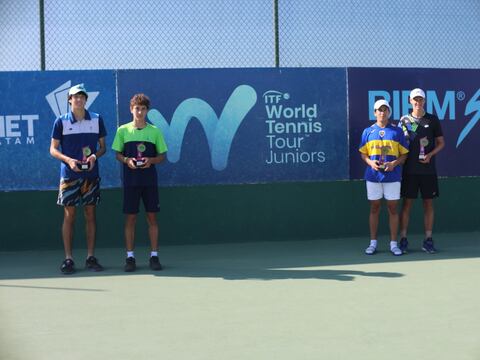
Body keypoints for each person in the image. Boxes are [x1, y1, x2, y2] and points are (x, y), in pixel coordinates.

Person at [50, 84, 106, 274]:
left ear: (85, 100)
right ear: (69, 100)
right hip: (69, 176)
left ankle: (90, 257)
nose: (79, 99)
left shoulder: (97, 120)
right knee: (69, 216)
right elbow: (53, 149)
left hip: (91, 176)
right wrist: (68, 160)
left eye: (82, 96)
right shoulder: (61, 121)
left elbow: (102, 148)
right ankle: (68, 259)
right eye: (75, 97)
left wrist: (93, 157)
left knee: (90, 215)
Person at [112, 93, 168, 272]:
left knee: (152, 218)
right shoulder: (122, 131)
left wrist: (150, 161)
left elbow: (162, 157)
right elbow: (117, 154)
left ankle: (154, 256)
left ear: (147, 111)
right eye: (137, 108)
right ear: (131, 109)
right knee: (131, 218)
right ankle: (130, 257)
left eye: (143, 109)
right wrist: (127, 160)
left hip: (149, 182)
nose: (140, 112)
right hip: (131, 182)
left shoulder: (155, 131)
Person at [359, 99, 409, 256]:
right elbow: (363, 153)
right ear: (374, 113)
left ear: (389, 112)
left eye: (385, 109)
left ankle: (393, 244)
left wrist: (394, 163)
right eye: (379, 110)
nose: (382, 112)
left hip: (393, 177)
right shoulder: (368, 131)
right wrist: (370, 162)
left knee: (393, 209)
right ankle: (373, 243)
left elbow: (404, 155)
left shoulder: (397, 131)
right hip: (373, 177)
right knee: (374, 208)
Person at [398, 88, 445, 254]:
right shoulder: (404, 120)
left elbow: (441, 143)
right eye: (415, 99)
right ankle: (403, 239)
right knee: (407, 204)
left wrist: (430, 154)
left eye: (421, 99)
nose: (418, 102)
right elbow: (400, 144)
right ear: (410, 101)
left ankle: (428, 240)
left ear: (424, 101)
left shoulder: (432, 119)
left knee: (428, 204)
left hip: (428, 170)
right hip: (409, 170)